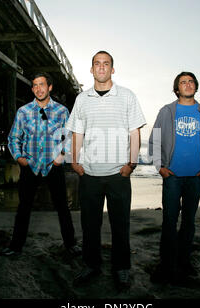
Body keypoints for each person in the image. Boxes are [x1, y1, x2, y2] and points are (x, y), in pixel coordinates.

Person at [66, 51, 146, 289]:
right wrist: (74, 161)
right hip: (89, 173)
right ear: (91, 70)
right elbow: (77, 132)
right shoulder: (82, 99)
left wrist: (131, 164)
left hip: (117, 174)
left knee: (120, 224)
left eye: (106, 64)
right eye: (97, 64)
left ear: (113, 69)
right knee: (90, 225)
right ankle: (91, 265)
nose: (101, 67)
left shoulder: (127, 96)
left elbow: (134, 132)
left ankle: (122, 268)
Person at [148, 71, 200, 285]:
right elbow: (154, 142)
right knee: (169, 221)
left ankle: (184, 261)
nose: (187, 85)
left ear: (195, 86)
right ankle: (166, 263)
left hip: (196, 178)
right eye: (182, 82)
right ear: (177, 88)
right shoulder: (166, 112)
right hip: (173, 177)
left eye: (190, 81)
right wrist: (160, 167)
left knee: (189, 221)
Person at [0, 72, 80, 257]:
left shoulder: (61, 111)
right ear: (32, 88)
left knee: (62, 207)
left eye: (42, 84)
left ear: (49, 87)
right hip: (31, 166)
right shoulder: (23, 111)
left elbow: (68, 138)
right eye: (35, 85)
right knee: (23, 208)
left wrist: (60, 157)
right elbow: (13, 137)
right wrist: (19, 158)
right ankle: (15, 246)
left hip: (53, 166)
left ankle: (70, 244)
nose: (38, 88)